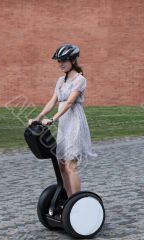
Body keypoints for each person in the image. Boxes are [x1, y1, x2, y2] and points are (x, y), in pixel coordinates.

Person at [28, 44, 98, 197]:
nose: (61, 64)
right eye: (59, 61)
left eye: (64, 60)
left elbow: (69, 102)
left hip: (75, 122)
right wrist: (38, 117)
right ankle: (68, 199)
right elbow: (53, 101)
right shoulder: (60, 81)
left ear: (73, 60)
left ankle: (76, 201)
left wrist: (52, 119)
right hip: (64, 124)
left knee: (70, 164)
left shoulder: (80, 80)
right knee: (61, 165)